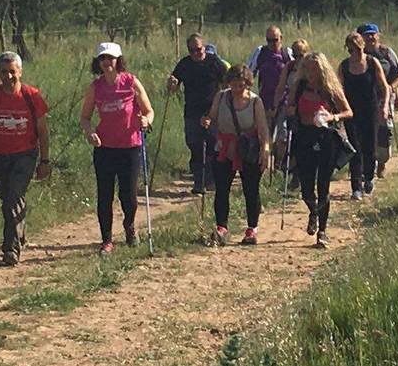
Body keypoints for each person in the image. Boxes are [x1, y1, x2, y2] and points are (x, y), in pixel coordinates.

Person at [0, 51, 51, 266]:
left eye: (12, 72)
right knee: (8, 200)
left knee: (13, 198)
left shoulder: (32, 96)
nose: (9, 77)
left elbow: (43, 131)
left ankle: (10, 249)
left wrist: (44, 161)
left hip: (24, 155)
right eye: (4, 72)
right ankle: (19, 231)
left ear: (20, 72)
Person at [79, 42, 156, 253]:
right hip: (105, 148)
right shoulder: (95, 87)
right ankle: (107, 240)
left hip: (130, 146)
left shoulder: (131, 82)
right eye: (103, 58)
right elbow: (85, 117)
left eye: (110, 58)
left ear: (118, 60)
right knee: (105, 195)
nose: (106, 62)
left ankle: (130, 226)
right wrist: (89, 132)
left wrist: (146, 121)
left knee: (128, 195)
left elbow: (149, 111)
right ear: (98, 62)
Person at [284, 53, 352, 249]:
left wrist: (332, 117)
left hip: (326, 138)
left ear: (322, 69)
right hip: (304, 137)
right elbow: (289, 107)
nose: (311, 73)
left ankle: (322, 231)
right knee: (306, 187)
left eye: (315, 69)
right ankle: (313, 211)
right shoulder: (299, 88)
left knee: (323, 184)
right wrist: (290, 112)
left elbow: (348, 111)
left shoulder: (330, 89)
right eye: (308, 68)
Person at [205, 65, 270, 245]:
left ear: (247, 83)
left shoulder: (255, 102)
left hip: (248, 149)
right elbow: (212, 116)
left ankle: (252, 229)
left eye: (241, 85)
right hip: (224, 148)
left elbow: (263, 129)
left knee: (251, 188)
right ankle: (221, 227)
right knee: (222, 188)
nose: (236, 89)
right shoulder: (221, 97)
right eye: (233, 85)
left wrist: (265, 150)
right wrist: (207, 121)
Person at [167, 33, 228, 193]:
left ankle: (209, 180)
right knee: (194, 145)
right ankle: (198, 180)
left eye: (199, 49)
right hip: (192, 111)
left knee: (212, 145)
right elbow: (173, 88)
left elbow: (226, 83)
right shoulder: (184, 64)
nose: (196, 53)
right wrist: (172, 84)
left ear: (204, 47)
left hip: (212, 110)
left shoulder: (214, 62)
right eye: (192, 50)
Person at [338, 32, 390, 199]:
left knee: (370, 146)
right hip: (351, 111)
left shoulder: (372, 63)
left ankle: (368, 177)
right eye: (352, 50)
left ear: (363, 47)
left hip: (371, 109)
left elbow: (385, 87)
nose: (356, 53)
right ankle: (356, 187)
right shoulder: (344, 66)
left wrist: (385, 106)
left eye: (359, 49)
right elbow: (339, 90)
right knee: (354, 148)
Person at [358, 23, 398, 178]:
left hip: (384, 97)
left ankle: (382, 162)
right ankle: (368, 164)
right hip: (365, 98)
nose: (370, 37)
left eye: (373, 34)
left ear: (378, 35)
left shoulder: (386, 53)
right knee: (366, 131)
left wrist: (392, 88)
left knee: (384, 130)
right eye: (366, 34)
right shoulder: (358, 54)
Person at [270, 38, 311, 177]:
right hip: (289, 105)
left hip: (307, 107)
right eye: (295, 54)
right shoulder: (289, 67)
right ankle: (280, 164)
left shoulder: (312, 67)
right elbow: (281, 87)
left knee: (301, 140)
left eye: (301, 54)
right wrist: (275, 106)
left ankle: (298, 171)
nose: (298, 58)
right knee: (283, 137)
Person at [246, 26, 292, 114]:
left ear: (281, 38)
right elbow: (248, 74)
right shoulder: (260, 52)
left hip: (284, 100)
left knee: (281, 127)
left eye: (275, 40)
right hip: (264, 100)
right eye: (269, 40)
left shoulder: (287, 53)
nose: (272, 43)